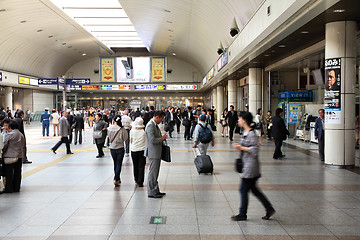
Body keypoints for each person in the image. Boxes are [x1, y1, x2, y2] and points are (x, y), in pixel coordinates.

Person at [231, 111, 275, 221]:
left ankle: (242, 213)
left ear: (244, 120)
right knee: (254, 190)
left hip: (251, 166)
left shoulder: (251, 134)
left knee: (243, 190)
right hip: (247, 164)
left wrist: (241, 148)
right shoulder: (245, 132)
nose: (238, 120)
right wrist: (240, 146)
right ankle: (269, 208)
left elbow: (255, 150)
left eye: (240, 119)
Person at [145, 111, 168, 198]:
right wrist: (161, 138)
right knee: (153, 173)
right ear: (157, 117)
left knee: (155, 172)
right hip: (153, 152)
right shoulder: (150, 125)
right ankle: (151, 192)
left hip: (156, 151)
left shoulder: (154, 124)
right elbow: (152, 140)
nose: (162, 120)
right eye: (162, 118)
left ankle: (155, 190)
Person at [2, 120, 26, 193]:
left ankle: (9, 188)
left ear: (10, 127)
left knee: (9, 173)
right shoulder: (21, 135)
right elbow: (23, 145)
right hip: (19, 156)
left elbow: (5, 145)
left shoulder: (9, 134)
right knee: (17, 173)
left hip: (10, 156)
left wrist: (3, 152)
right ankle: (16, 188)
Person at [108, 115, 128, 186]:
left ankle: (117, 178)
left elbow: (108, 137)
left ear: (114, 120)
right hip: (120, 148)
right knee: (119, 163)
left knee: (115, 163)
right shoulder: (122, 129)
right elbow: (125, 138)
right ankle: (116, 178)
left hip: (112, 148)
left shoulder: (109, 128)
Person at [130, 117, 146, 187]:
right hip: (142, 150)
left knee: (135, 165)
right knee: (141, 166)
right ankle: (140, 182)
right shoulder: (143, 132)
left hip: (134, 150)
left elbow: (131, 140)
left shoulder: (132, 131)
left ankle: (136, 179)